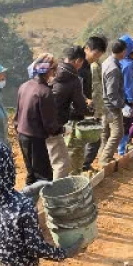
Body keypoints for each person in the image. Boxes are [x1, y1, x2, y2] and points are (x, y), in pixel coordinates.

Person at [16, 56, 62, 183]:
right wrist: (61, 129)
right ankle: (45, 202)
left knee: (31, 173)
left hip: (21, 135)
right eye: (54, 70)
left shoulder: (24, 86)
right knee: (44, 176)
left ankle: (26, 201)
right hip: (35, 139)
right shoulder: (45, 92)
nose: (55, 73)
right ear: (48, 71)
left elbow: (18, 113)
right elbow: (50, 125)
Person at [50, 48, 91, 178]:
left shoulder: (53, 70)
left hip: (43, 119)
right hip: (58, 123)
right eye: (81, 63)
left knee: (50, 158)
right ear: (78, 61)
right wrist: (90, 110)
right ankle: (59, 192)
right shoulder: (74, 79)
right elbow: (80, 106)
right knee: (63, 163)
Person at [96, 37, 130, 167]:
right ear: (123, 52)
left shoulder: (107, 62)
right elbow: (112, 93)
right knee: (118, 132)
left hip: (104, 103)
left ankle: (101, 154)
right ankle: (105, 159)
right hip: (111, 106)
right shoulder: (114, 68)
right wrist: (122, 106)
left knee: (105, 132)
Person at [81, 36, 108, 171]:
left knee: (93, 139)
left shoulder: (95, 65)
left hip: (94, 107)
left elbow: (97, 89)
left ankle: (85, 165)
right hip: (86, 109)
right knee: (93, 139)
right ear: (87, 49)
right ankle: (84, 166)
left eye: (100, 54)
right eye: (96, 53)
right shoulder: (87, 67)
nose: (97, 56)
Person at [116, 37, 133, 153]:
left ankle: (122, 147)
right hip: (127, 99)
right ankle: (121, 150)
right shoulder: (128, 65)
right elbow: (128, 85)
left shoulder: (127, 62)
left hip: (124, 97)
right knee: (126, 124)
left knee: (125, 123)